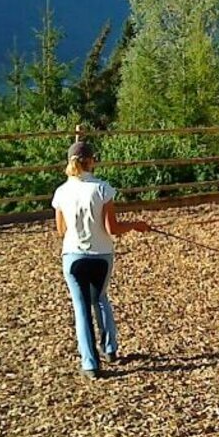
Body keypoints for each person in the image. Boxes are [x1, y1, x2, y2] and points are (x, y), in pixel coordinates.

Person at [51, 140, 150, 379]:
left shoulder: (61, 192)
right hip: (101, 255)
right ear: (91, 161)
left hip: (73, 255)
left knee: (81, 308)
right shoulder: (103, 189)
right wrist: (136, 225)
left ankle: (90, 364)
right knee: (101, 299)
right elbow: (112, 228)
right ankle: (110, 349)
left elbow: (61, 230)